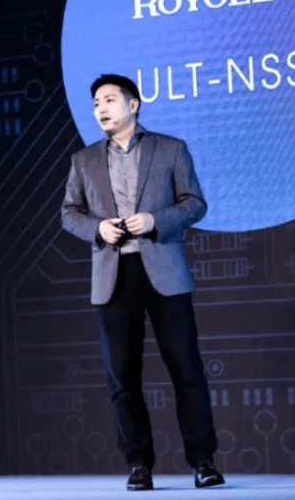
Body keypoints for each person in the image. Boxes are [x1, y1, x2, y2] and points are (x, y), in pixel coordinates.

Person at [61, 73, 224, 490]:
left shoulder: (170, 149)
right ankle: (138, 464)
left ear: (133, 105)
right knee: (122, 376)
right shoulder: (83, 160)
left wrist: (155, 220)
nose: (101, 108)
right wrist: (98, 229)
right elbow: (69, 214)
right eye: (96, 103)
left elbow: (195, 204)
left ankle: (203, 461)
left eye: (109, 100)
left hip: (164, 269)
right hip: (113, 274)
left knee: (186, 368)